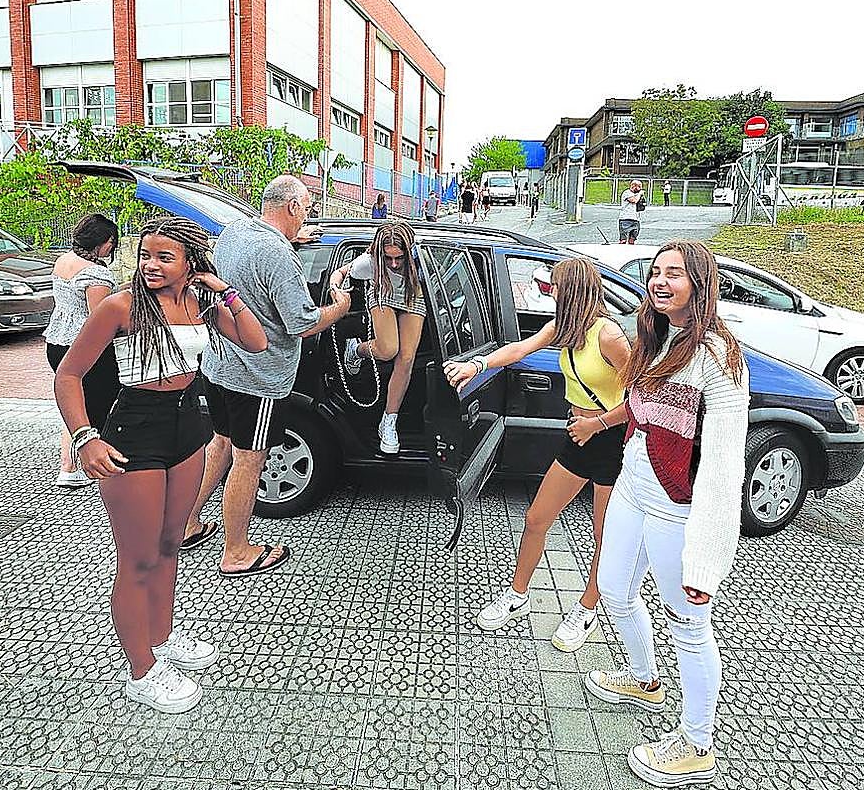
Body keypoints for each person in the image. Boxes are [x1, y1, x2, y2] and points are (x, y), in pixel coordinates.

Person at [54, 216, 268, 713]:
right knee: (140, 557)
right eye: (145, 255)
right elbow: (68, 375)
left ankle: (163, 639)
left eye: (163, 257)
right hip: (136, 433)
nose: (150, 265)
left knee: (173, 544)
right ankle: (141, 670)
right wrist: (86, 439)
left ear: (189, 262)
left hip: (188, 428)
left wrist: (224, 290)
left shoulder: (199, 303)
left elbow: (256, 342)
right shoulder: (121, 307)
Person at [584, 240, 749, 787]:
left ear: (700, 286)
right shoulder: (656, 339)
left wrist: (705, 560)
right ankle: (644, 679)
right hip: (633, 491)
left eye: (674, 275)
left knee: (691, 625)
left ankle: (698, 745)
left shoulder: (719, 356)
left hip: (675, 507)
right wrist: (602, 426)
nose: (659, 282)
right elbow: (638, 406)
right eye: (655, 272)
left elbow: (725, 465)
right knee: (613, 589)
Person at [445, 258, 631, 652]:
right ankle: (517, 595)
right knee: (536, 518)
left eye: (557, 286)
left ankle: (586, 608)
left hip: (611, 441)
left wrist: (595, 424)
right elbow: (517, 350)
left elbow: (643, 400)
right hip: (577, 438)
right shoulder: (563, 328)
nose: (551, 291)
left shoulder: (610, 336)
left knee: (605, 535)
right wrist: (476, 364)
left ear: (574, 290)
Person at [182, 176, 350, 573]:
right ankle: (236, 552)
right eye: (306, 209)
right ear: (292, 207)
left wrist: (291, 241)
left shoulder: (236, 231)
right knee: (248, 461)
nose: (306, 215)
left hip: (218, 365)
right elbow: (303, 323)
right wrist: (340, 306)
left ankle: (186, 525)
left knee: (219, 446)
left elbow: (253, 274)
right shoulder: (275, 253)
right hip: (254, 378)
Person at [331, 221, 426, 454]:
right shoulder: (370, 262)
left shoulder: (421, 258)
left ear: (409, 250)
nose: (393, 264)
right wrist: (336, 288)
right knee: (388, 349)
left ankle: (389, 421)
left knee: (406, 359)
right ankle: (357, 349)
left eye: (399, 258)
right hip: (383, 293)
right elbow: (341, 272)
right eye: (388, 258)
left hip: (413, 295)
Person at [44, 213, 120, 489]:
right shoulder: (97, 274)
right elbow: (99, 319)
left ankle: (68, 467)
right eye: (112, 242)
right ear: (105, 242)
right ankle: (94, 464)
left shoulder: (63, 260)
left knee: (72, 403)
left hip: (56, 341)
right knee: (95, 406)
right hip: (85, 349)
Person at [619, 179, 644, 244]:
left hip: (636, 219)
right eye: (639, 187)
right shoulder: (627, 193)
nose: (640, 189)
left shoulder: (637, 194)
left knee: (632, 239)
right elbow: (634, 200)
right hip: (625, 218)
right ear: (633, 186)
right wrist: (640, 194)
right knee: (623, 240)